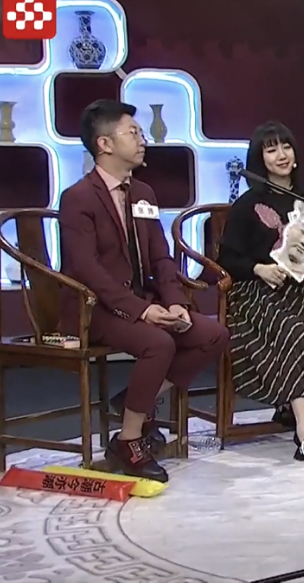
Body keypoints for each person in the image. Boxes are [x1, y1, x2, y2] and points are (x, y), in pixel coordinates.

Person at [58, 99, 230, 483]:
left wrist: (175, 302)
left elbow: (160, 258)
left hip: (142, 300)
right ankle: (129, 441)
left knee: (212, 334)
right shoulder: (78, 198)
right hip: (95, 308)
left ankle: (138, 399)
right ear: (104, 144)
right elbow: (87, 269)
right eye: (132, 133)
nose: (142, 140)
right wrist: (141, 311)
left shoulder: (144, 194)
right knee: (159, 343)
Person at [216, 121, 304, 467]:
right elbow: (228, 258)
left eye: (286, 147)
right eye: (271, 149)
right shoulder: (248, 204)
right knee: (293, 331)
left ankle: (291, 406)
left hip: (298, 291)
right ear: (260, 158)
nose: (281, 155)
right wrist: (258, 269)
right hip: (256, 293)